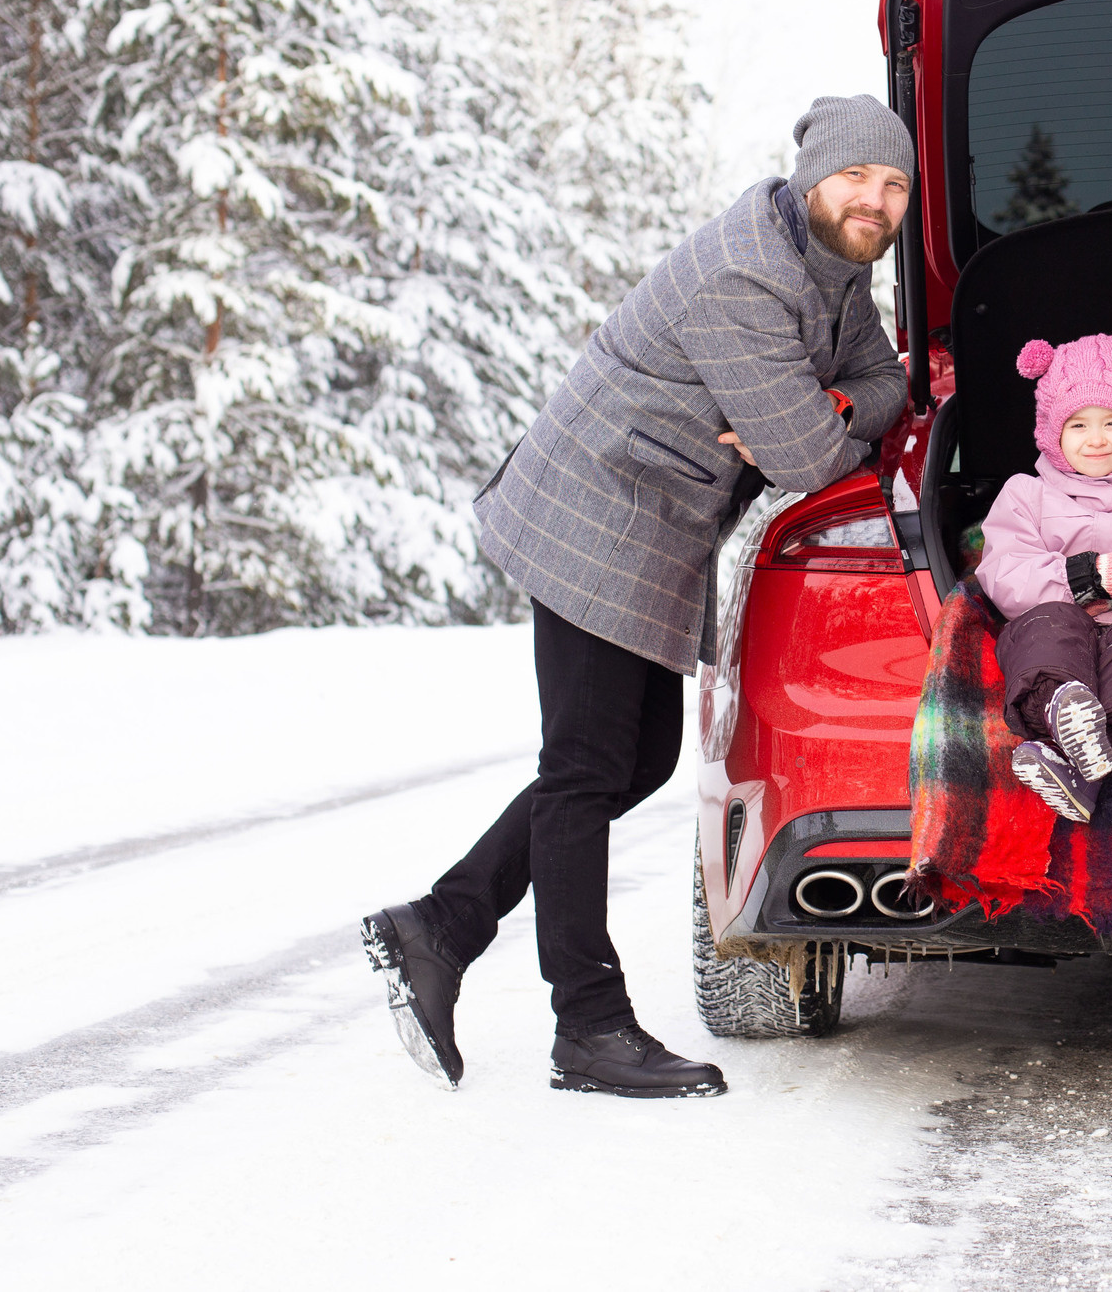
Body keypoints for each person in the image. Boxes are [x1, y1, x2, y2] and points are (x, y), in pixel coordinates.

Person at [359, 95, 915, 1100]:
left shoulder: (837, 266)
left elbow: (885, 389)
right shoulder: (744, 274)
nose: (874, 201)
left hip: (655, 525)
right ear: (810, 179)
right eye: (856, 180)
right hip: (592, 514)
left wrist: (831, 401)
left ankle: (443, 924)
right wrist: (820, 422)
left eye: (892, 186)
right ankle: (588, 1025)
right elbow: (802, 459)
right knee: (582, 771)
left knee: (638, 760)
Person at [974, 327, 1112, 822]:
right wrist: (1091, 579)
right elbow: (1006, 573)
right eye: (1077, 426)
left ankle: (1089, 758)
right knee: (1048, 626)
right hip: (1058, 626)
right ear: (1052, 434)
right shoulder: (1025, 495)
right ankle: (1060, 707)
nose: (1096, 440)